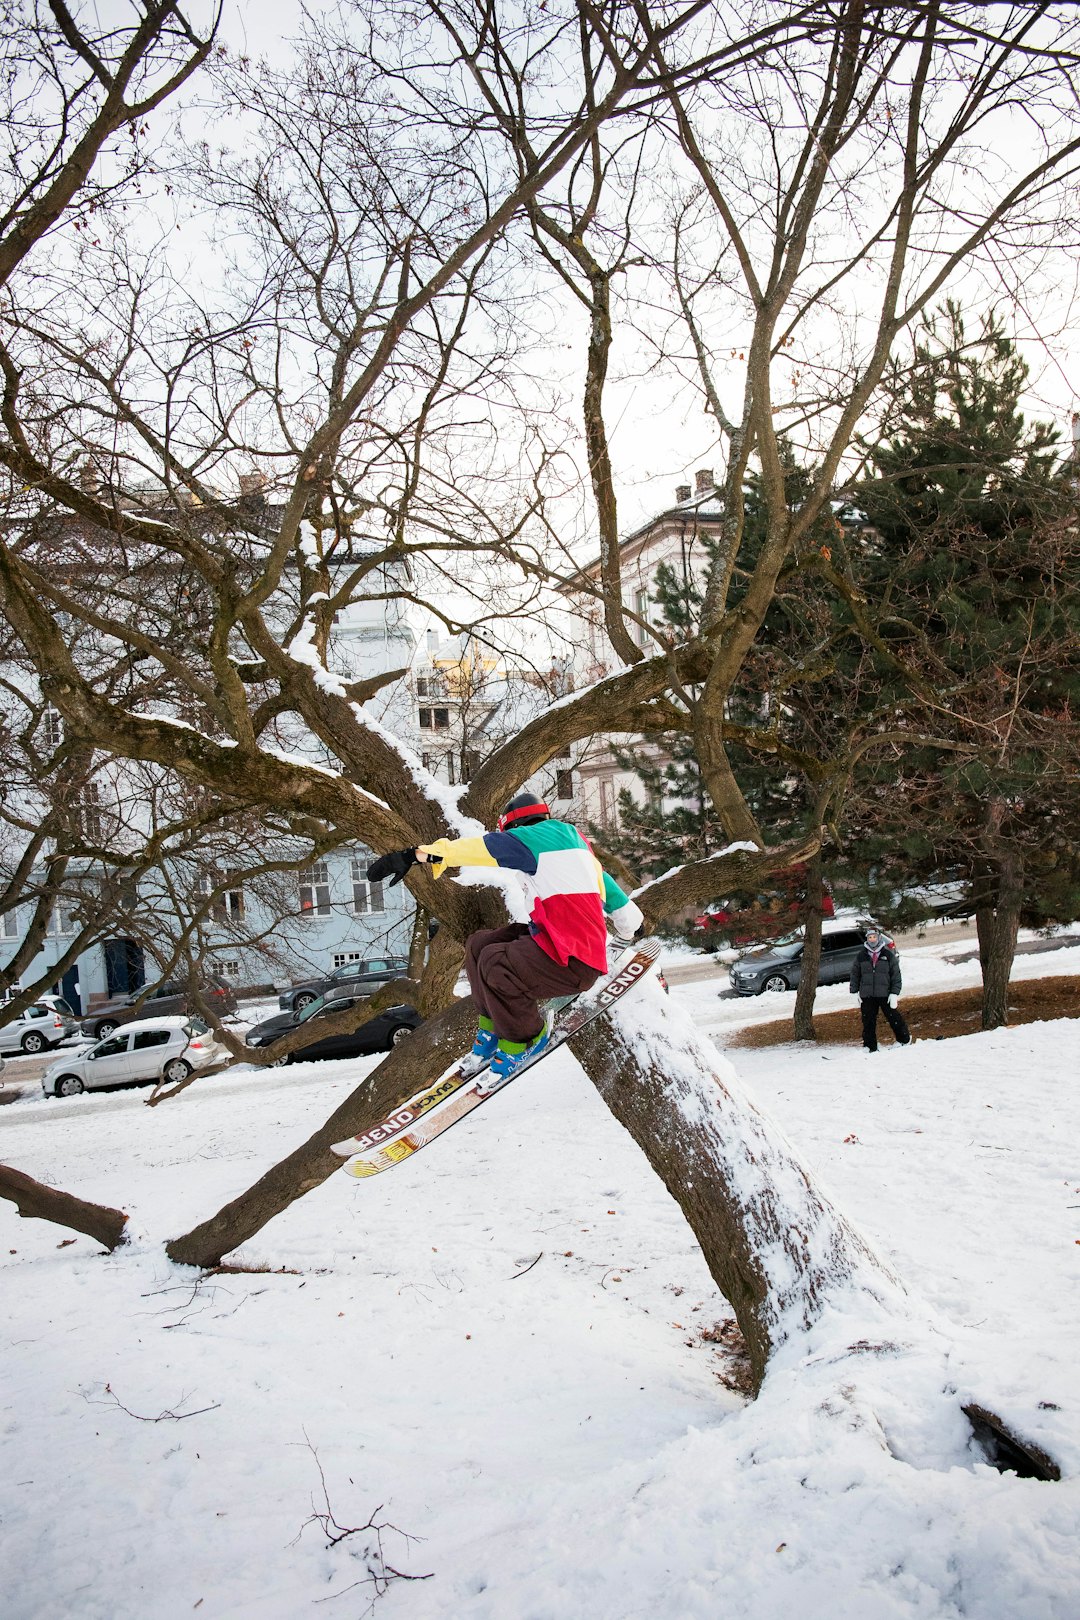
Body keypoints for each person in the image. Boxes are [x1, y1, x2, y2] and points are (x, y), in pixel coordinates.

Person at [365, 793, 645, 1080]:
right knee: (479, 944)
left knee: (495, 962)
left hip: (573, 962)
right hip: (557, 944)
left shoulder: (527, 839)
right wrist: (632, 928)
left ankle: (525, 1039)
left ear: (513, 827)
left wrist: (413, 855)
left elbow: (475, 849)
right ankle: (492, 1028)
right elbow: (613, 894)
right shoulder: (577, 848)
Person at [849, 924, 911, 1052]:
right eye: (870, 937)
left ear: (878, 938)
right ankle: (870, 1046)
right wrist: (854, 991)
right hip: (867, 995)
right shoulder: (861, 956)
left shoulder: (887, 955)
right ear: (867, 939)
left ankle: (904, 1039)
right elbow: (855, 974)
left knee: (893, 1017)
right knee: (868, 1021)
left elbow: (896, 975)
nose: (872, 940)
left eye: (874, 937)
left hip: (885, 993)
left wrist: (894, 993)